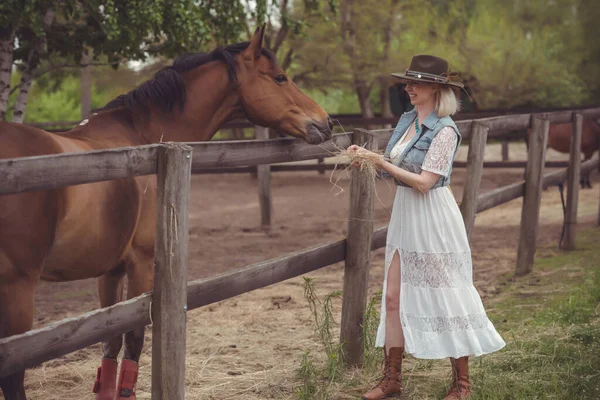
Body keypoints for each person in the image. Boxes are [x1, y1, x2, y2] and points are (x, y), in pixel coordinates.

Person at [348, 54, 506, 400]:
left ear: (436, 89)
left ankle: (462, 384)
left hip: (433, 216)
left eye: (415, 83)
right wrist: (367, 158)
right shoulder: (407, 121)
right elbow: (392, 165)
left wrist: (382, 164)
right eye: (408, 82)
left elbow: (424, 182)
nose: (408, 88)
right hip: (406, 215)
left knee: (446, 294)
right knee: (392, 297)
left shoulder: (446, 130)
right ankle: (392, 379)